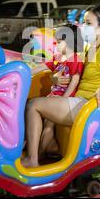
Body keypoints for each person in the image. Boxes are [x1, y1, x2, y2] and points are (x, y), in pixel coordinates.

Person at [22, 4, 100, 168]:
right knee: (32, 103)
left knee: (33, 105)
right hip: (79, 100)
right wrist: (54, 78)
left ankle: (33, 160)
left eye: (89, 23)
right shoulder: (92, 48)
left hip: (88, 105)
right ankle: (42, 151)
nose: (84, 27)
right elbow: (67, 65)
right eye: (84, 22)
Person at [30, 24, 84, 159]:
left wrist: (64, 98)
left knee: (48, 126)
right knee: (42, 123)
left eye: (59, 42)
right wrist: (26, 73)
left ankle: (39, 155)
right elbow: (42, 66)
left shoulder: (75, 60)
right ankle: (47, 150)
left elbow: (74, 81)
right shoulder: (58, 58)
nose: (56, 45)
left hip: (61, 98)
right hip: (53, 96)